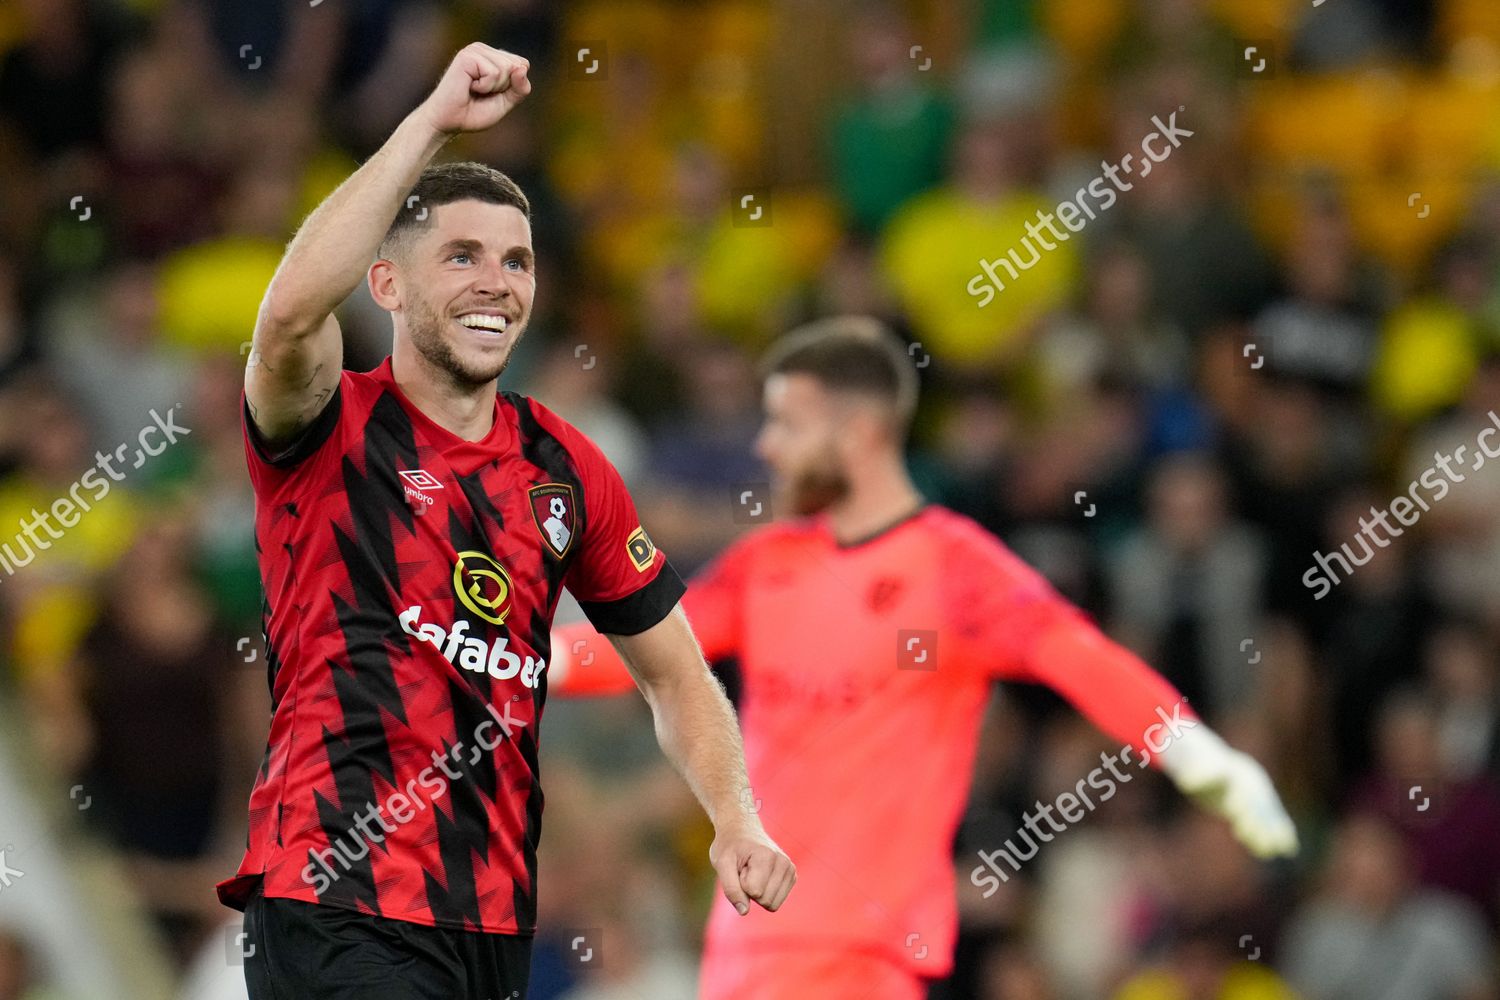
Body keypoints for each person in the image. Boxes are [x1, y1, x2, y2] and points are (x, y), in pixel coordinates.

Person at [216, 43, 794, 1000]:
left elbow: (676, 675)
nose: (498, 280)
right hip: (332, 892)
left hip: (490, 921)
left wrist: (737, 815)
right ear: (387, 285)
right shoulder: (328, 424)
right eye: (462, 255)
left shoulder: (568, 471)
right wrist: (430, 123)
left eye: (517, 261)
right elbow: (284, 320)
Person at [553, 316, 1299, 1000]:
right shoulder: (766, 563)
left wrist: (1206, 761)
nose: (765, 446)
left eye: (787, 423)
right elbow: (649, 647)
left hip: (861, 956)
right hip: (744, 950)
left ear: (859, 432)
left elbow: (1081, 660)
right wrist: (508, 654)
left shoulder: (955, 569)